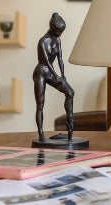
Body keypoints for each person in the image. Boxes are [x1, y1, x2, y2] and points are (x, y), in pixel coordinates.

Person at [33, 12, 75, 142]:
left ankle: (70, 123)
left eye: (61, 32)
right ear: (52, 27)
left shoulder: (57, 40)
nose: (60, 35)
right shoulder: (42, 42)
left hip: (51, 72)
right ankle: (41, 133)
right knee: (40, 104)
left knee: (70, 92)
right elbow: (46, 61)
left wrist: (62, 76)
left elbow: (60, 59)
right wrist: (56, 76)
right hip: (41, 72)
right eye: (58, 32)